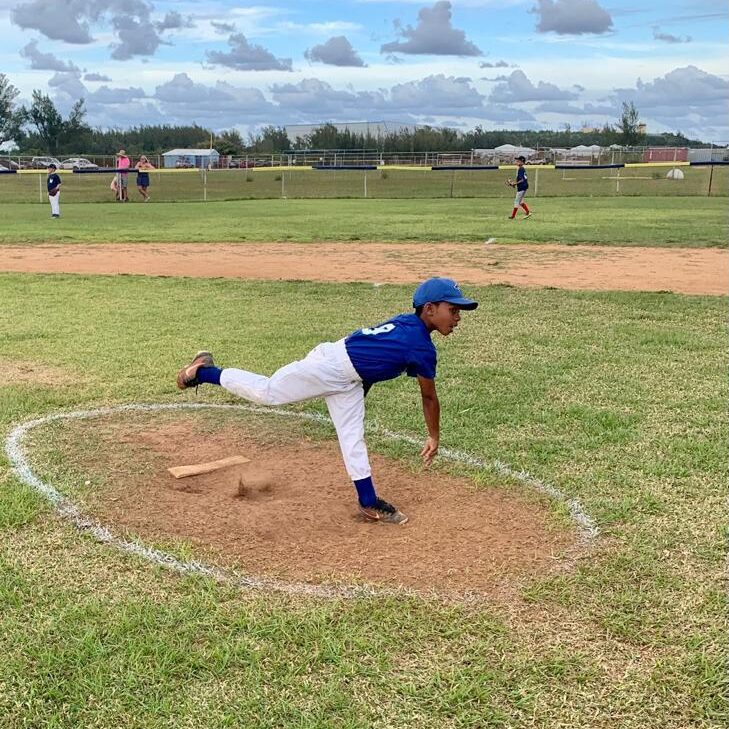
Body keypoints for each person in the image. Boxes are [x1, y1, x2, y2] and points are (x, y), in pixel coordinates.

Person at [176, 277, 478, 525]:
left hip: (349, 378)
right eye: (453, 310)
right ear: (429, 309)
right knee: (268, 392)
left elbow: (374, 360)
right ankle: (204, 372)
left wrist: (360, 389)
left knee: (352, 438)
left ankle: (368, 501)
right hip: (330, 367)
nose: (458, 317)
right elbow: (428, 396)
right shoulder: (421, 347)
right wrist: (433, 436)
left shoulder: (407, 324)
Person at [507, 155, 531, 220]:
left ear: (522, 162)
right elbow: (521, 179)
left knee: (516, 201)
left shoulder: (521, 169)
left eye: (519, 161)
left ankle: (513, 216)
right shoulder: (521, 168)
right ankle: (528, 212)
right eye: (517, 160)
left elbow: (522, 179)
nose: (517, 162)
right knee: (520, 202)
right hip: (523, 186)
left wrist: (514, 183)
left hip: (522, 187)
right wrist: (514, 184)